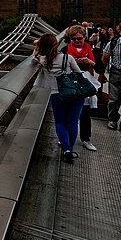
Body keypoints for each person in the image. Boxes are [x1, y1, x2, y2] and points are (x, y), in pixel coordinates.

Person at [34, 33, 85, 163]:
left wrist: (37, 47)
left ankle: (66, 149)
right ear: (56, 44)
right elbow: (79, 73)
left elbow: (35, 55)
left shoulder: (42, 59)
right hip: (75, 94)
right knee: (73, 123)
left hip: (57, 95)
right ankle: (71, 149)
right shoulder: (68, 58)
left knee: (60, 122)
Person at [63, 26, 97, 151]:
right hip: (71, 83)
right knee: (68, 111)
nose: (77, 41)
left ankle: (86, 139)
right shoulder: (65, 49)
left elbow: (98, 66)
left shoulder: (91, 49)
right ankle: (65, 139)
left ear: (85, 38)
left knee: (85, 113)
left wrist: (89, 61)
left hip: (86, 83)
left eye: (80, 39)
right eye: (74, 39)